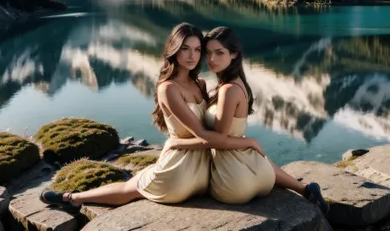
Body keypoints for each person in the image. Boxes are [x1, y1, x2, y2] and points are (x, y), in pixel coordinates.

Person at [40, 23, 263, 213]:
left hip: (183, 174)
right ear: (173, 49)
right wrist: (248, 141)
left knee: (130, 188)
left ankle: (73, 198)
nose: (192, 56)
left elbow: (208, 135)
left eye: (197, 49)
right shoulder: (182, 87)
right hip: (204, 173)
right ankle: (73, 197)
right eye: (185, 49)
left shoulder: (185, 85)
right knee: (137, 180)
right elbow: (208, 134)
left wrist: (175, 142)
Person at [165, 26, 329, 215]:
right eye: (208, 53)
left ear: (234, 54)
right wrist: (248, 143)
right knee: (255, 155)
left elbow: (218, 139)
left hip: (232, 183)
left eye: (219, 53)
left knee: (194, 183)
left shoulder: (227, 89)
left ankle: (304, 189)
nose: (211, 60)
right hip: (262, 176)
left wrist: (175, 142)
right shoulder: (238, 83)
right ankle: (306, 190)